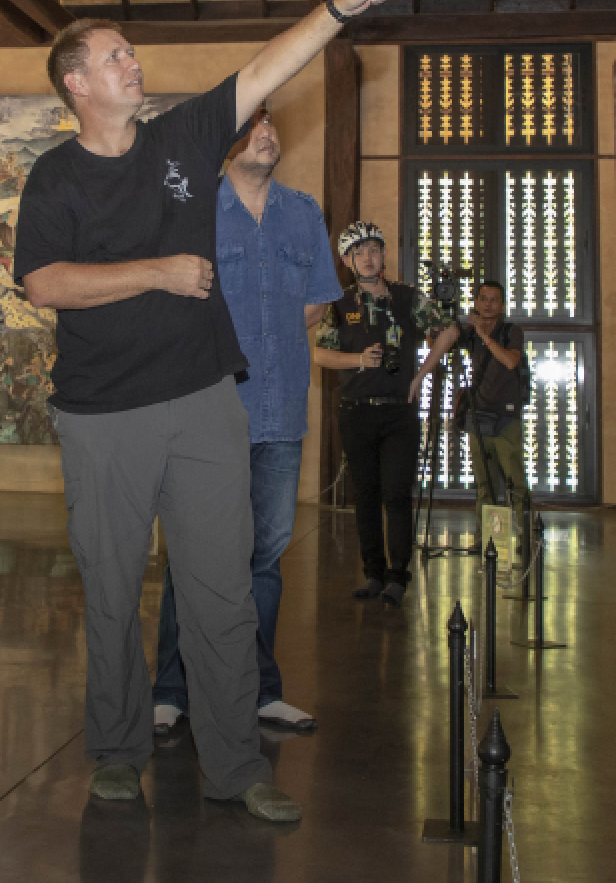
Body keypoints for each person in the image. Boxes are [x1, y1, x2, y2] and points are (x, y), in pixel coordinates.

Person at [14, 0, 400, 822]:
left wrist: (341, 4)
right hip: (103, 414)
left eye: (131, 50)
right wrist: (157, 271)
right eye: (114, 55)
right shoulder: (55, 176)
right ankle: (117, 752)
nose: (133, 61)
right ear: (76, 83)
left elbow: (269, 66)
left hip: (202, 402)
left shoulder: (182, 137)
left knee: (222, 587)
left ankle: (234, 765)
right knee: (113, 589)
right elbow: (44, 283)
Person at [151, 108, 339, 738]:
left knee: (265, 558)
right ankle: (171, 691)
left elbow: (317, 302)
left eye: (273, 126)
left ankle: (260, 692)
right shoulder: (195, 209)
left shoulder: (302, 212)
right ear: (229, 142)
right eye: (254, 125)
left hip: (281, 410)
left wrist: (268, 328)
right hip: (209, 408)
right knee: (193, 554)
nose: (268, 134)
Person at [311, 221, 459, 607]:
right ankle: (373, 573)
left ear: (384, 255)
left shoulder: (407, 297)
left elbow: (448, 331)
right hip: (356, 411)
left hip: (399, 413)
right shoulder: (338, 303)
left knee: (396, 494)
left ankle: (398, 575)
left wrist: (421, 375)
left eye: (374, 250)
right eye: (358, 253)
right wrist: (358, 359)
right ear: (347, 261)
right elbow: (319, 353)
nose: (367, 258)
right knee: (365, 495)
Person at [453, 281, 531, 525]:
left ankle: (526, 534)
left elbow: (510, 361)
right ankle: (490, 538)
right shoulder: (469, 333)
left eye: (494, 300)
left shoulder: (511, 332)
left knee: (515, 480)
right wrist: (435, 326)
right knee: (484, 484)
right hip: (479, 416)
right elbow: (437, 346)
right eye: (483, 299)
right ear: (476, 303)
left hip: (506, 418)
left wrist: (484, 336)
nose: (488, 304)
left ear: (502, 306)